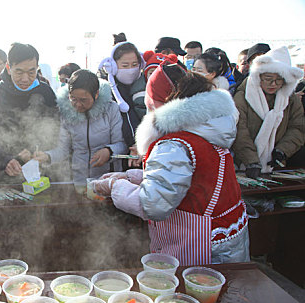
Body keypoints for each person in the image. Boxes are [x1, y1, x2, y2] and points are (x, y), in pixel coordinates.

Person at [93, 73, 249, 265]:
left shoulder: (174, 144)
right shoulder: (207, 130)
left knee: (192, 293)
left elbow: (153, 204)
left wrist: (114, 186)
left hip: (201, 246)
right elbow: (189, 180)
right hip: (225, 238)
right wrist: (131, 177)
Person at [0, 42, 61, 184]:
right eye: (19, 72)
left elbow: (56, 131)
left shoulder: (46, 93)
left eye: (31, 72)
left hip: (43, 176)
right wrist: (4, 160)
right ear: (8, 68)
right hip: (6, 177)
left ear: (37, 68)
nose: (25, 79)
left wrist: (44, 153)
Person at [33, 69, 126, 186]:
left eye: (83, 100)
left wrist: (109, 151)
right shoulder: (66, 114)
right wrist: (47, 156)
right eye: (73, 99)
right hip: (79, 180)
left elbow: (122, 145)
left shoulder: (111, 109)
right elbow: (63, 150)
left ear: (96, 94)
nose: (77, 105)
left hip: (107, 180)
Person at [232, 46, 305, 177]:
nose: (273, 84)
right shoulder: (243, 95)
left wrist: (282, 151)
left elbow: (298, 128)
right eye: (268, 78)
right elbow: (239, 130)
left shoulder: (290, 99)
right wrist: (251, 160)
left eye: (278, 80)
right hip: (243, 163)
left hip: (277, 164)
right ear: (258, 76)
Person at [98, 41, 147, 153]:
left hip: (141, 149)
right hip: (118, 151)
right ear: (113, 67)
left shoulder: (146, 84)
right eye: (125, 65)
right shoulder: (106, 91)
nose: (130, 69)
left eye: (134, 65)